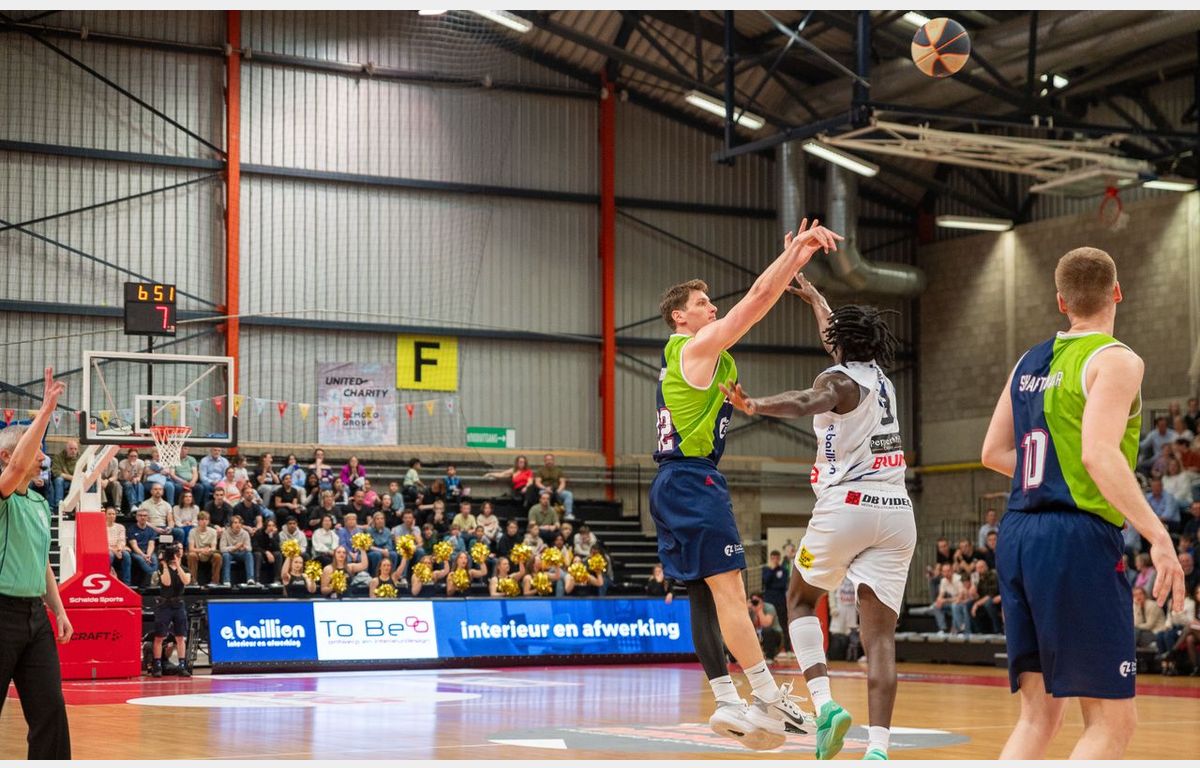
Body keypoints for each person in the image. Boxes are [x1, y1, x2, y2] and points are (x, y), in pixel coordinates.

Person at [981, 246, 1186, 759]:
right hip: (1074, 540)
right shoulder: (1116, 360)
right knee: (1113, 722)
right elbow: (1098, 453)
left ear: (1061, 302)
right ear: (1117, 292)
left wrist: (1055, 475)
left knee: (1038, 716)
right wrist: (1159, 535)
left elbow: (993, 453)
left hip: (1017, 534)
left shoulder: (1027, 362)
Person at [651, 222, 838, 750]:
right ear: (679, 316)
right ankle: (767, 699)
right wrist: (794, 256)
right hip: (694, 480)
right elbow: (754, 302)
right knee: (731, 591)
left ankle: (727, 700)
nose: (712, 308)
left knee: (703, 594)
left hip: (668, 482)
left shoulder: (685, 359)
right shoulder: (694, 348)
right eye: (702, 303)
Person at [721, 277, 914, 760]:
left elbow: (807, 400)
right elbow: (836, 337)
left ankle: (825, 706)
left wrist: (756, 405)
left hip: (849, 504)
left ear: (841, 344)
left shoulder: (837, 382)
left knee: (800, 599)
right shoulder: (880, 379)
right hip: (898, 510)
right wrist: (817, 300)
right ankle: (878, 750)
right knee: (880, 639)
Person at [0, 367, 73, 758]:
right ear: (8, 456)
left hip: (35, 617)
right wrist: (44, 411)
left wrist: (58, 609)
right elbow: (14, 471)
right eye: (37, 449)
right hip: (2, 613)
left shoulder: (40, 503)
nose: (44, 457)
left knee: (50, 711)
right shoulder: (4, 496)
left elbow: (42, 562)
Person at [151, 545, 191, 677]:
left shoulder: (185, 569)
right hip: (164, 605)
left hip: (178, 604)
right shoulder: (161, 568)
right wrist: (165, 565)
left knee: (180, 637)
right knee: (159, 636)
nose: (174, 556)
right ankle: (157, 665)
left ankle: (182, 665)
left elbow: (186, 580)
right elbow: (166, 583)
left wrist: (178, 565)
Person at [186, 511, 223, 586]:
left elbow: (213, 548)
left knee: (217, 556)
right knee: (192, 555)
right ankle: (193, 582)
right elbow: (191, 548)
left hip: (208, 553)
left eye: (206, 519)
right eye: (202, 519)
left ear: (209, 521)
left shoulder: (213, 531)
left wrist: (208, 550)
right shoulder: (192, 531)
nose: (204, 522)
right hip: (197, 553)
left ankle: (215, 582)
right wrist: (201, 550)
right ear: (198, 521)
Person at [219, 515, 255, 586]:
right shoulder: (225, 533)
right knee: (225, 555)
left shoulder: (245, 533)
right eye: (235, 523)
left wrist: (244, 547)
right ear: (231, 525)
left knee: (249, 554)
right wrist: (234, 547)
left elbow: (250, 548)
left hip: (241, 553)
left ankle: (250, 579)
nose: (238, 525)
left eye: (239, 523)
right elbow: (222, 549)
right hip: (230, 553)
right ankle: (226, 580)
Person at [536, 453, 575, 520]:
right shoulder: (540, 470)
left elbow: (562, 482)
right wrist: (545, 488)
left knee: (569, 494)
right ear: (544, 461)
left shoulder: (558, 470)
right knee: (542, 494)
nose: (549, 461)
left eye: (550, 460)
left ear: (553, 461)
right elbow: (537, 482)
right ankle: (544, 514)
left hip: (557, 489)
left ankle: (568, 514)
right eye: (547, 460)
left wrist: (559, 490)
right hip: (544, 489)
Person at [748, 593, 783, 662]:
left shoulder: (769, 607)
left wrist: (759, 610)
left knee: (767, 630)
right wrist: (746, 609)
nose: (755, 603)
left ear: (762, 601)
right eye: (753, 601)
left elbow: (766, 624)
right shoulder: (750, 609)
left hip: (775, 637)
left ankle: (770, 657)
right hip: (758, 635)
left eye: (757, 601)